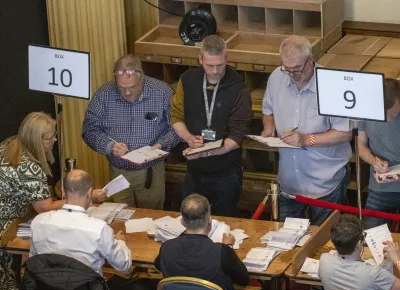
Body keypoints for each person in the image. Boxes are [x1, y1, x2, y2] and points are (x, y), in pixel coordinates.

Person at [0, 112, 106, 290]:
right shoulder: (29, 167)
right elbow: (44, 207)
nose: (54, 141)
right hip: (4, 230)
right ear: (37, 139)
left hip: (9, 221)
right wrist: (81, 197)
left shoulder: (11, 145)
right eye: (51, 138)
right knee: (7, 284)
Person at [261, 35, 353, 225]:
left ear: (311, 60)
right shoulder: (277, 77)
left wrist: (306, 140)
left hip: (325, 181)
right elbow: (268, 110)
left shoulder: (332, 85)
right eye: (287, 69)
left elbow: (345, 132)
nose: (292, 74)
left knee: (325, 242)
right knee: (287, 242)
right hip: (289, 181)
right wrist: (268, 128)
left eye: (297, 69)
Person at [82, 54, 180, 209]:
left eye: (131, 88)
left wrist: (161, 145)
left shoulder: (162, 92)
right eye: (121, 88)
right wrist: (109, 146)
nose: (127, 93)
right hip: (118, 172)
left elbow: (177, 127)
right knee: (121, 217)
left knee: (151, 216)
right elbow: (89, 129)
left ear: (142, 78)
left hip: (151, 172)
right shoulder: (103, 94)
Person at [170, 35, 252, 217]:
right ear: (200, 59)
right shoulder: (187, 80)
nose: (215, 71)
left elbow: (239, 133)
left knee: (225, 222)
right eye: (209, 65)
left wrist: (210, 152)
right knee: (191, 221)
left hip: (226, 171)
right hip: (194, 171)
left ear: (227, 58)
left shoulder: (239, 87)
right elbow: (176, 115)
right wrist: (188, 138)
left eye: (220, 65)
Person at [30, 169, 131, 275]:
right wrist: (121, 242)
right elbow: (124, 265)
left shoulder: (38, 222)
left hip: (47, 288)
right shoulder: (99, 229)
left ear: (63, 192)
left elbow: (34, 260)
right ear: (89, 193)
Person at [154, 194, 249, 290]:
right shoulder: (222, 251)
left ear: (182, 221)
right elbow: (243, 279)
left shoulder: (167, 247)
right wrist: (228, 246)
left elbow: (158, 265)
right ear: (209, 220)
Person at [319, 214, 400, 290]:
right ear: (358, 243)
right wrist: (396, 259)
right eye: (364, 235)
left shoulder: (324, 259)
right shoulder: (375, 274)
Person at [358, 78, 400, 229]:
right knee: (371, 237)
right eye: (384, 115)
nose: (389, 119)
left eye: (394, 115)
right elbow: (360, 145)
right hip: (380, 188)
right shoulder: (365, 109)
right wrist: (374, 161)